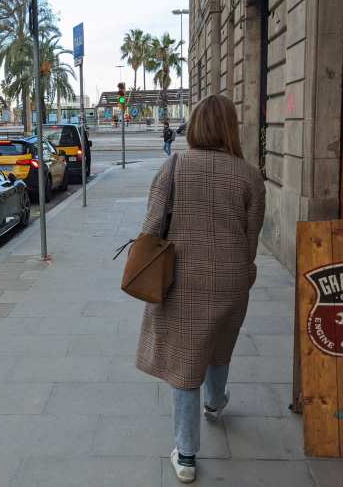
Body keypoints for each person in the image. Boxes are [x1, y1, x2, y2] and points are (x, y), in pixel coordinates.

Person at [136, 95, 266, 484]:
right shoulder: (248, 175)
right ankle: (215, 403)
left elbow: (151, 225)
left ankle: (187, 455)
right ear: (231, 128)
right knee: (220, 344)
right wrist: (243, 271)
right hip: (230, 279)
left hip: (180, 280)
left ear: (193, 125)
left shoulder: (174, 166)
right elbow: (252, 235)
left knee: (185, 361)